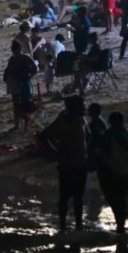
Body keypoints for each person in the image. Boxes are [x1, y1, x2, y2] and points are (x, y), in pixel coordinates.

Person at [38, 95, 88, 232]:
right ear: (74, 107)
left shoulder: (81, 119)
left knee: (77, 197)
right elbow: (44, 136)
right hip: (69, 164)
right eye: (82, 105)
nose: (85, 107)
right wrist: (54, 153)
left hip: (79, 163)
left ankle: (77, 225)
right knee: (66, 197)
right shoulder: (64, 121)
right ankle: (65, 226)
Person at [98, 111, 128, 234]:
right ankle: (121, 226)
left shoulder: (108, 135)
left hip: (111, 173)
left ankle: (120, 226)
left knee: (114, 200)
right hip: (127, 173)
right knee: (123, 198)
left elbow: (104, 154)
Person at [3, 41, 37, 131]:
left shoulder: (19, 59)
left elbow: (34, 69)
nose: (16, 52)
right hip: (20, 84)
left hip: (20, 84)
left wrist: (29, 76)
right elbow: (34, 69)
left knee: (22, 105)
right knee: (20, 105)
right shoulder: (19, 58)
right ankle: (20, 125)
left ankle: (21, 125)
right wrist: (29, 76)